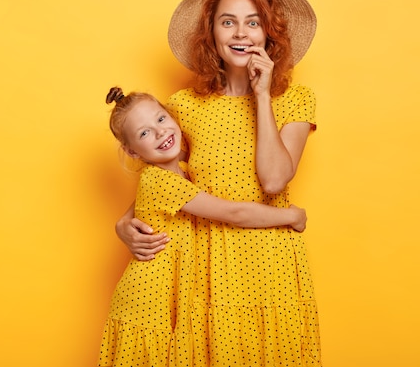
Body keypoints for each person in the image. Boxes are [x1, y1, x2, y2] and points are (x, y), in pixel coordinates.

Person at [113, 0, 321, 366]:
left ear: (269, 33)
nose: (241, 33)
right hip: (206, 266)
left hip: (271, 260)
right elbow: (168, 180)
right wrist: (124, 224)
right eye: (228, 22)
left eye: (253, 22)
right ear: (212, 33)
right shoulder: (185, 105)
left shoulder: (295, 99)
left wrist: (262, 96)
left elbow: (275, 180)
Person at [99, 86, 309, 367]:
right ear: (132, 152)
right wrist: (291, 217)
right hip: (152, 301)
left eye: (161, 119)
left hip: (176, 296)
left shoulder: (184, 174)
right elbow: (233, 212)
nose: (160, 132)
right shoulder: (160, 181)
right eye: (144, 133)